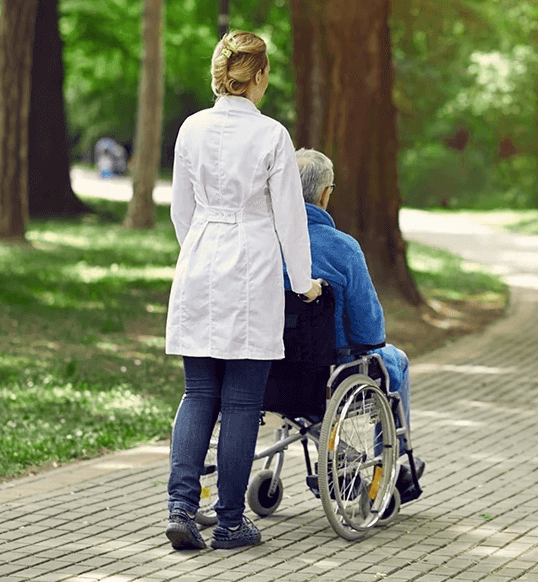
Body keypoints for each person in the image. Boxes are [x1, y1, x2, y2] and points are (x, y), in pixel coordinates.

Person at [164, 30, 323, 551]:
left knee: (197, 392)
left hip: (199, 265)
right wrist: (305, 283)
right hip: (251, 270)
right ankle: (231, 523)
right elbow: (290, 219)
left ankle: (182, 509)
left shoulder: (191, 128)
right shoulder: (272, 136)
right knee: (240, 402)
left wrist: (201, 252)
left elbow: (180, 211)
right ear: (258, 77)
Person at [290, 148, 424, 503]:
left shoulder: (263, 241)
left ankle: (340, 453)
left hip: (269, 371)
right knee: (397, 359)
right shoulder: (343, 248)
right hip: (330, 374)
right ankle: (396, 465)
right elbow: (369, 333)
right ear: (324, 194)